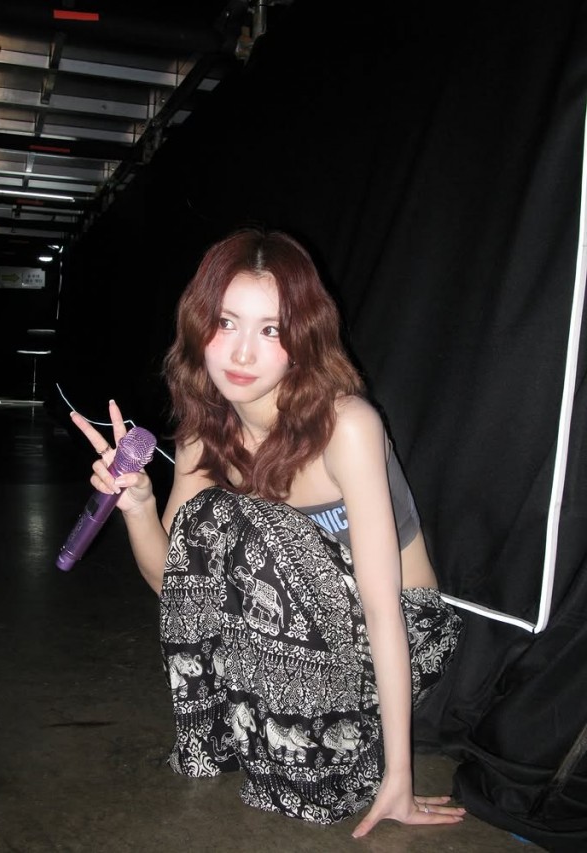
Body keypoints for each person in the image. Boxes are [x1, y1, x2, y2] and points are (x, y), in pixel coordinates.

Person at [71, 227, 465, 838]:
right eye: (226, 323)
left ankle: (333, 741)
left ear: (302, 340)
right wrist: (138, 505)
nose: (241, 354)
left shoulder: (346, 425)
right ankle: (253, 728)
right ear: (198, 325)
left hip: (402, 633)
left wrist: (398, 777)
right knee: (215, 519)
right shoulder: (204, 432)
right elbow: (180, 591)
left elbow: (383, 609)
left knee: (250, 522)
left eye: (271, 330)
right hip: (296, 639)